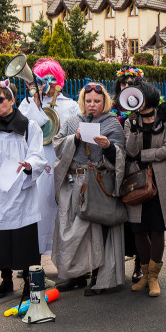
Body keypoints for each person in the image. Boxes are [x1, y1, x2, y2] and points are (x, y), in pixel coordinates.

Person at [0, 77, 48, 298]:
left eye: (0, 99)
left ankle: (27, 283)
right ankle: (5, 280)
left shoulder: (29, 126)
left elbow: (37, 155)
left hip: (20, 187)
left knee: (23, 239)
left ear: (12, 100)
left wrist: (29, 165)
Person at [50, 82, 127, 295]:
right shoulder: (72, 121)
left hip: (98, 184)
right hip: (74, 184)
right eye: (88, 100)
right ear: (83, 101)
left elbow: (121, 155)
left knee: (97, 230)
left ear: (105, 102)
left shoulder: (112, 123)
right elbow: (57, 144)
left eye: (97, 101)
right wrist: (74, 138)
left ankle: (98, 276)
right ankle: (75, 275)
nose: (92, 105)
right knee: (72, 230)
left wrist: (108, 147)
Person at [123, 80, 166, 298]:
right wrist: (135, 132)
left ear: (147, 97)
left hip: (161, 181)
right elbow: (129, 151)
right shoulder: (131, 122)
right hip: (138, 181)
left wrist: (144, 156)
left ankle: (154, 278)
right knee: (139, 229)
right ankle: (146, 275)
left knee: (158, 228)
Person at [18, 59, 80, 255]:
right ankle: (31, 258)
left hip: (61, 165)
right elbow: (21, 130)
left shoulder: (70, 106)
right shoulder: (27, 103)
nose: (49, 85)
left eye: (52, 80)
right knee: (35, 211)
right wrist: (34, 103)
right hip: (36, 167)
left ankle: (64, 258)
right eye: (44, 80)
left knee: (62, 211)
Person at [112, 66, 144, 282]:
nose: (127, 86)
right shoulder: (112, 109)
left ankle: (141, 264)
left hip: (138, 168)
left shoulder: (144, 108)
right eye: (123, 83)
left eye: (131, 82)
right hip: (117, 169)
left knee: (139, 219)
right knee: (119, 219)